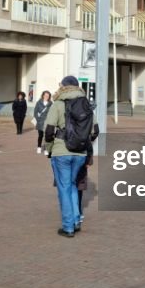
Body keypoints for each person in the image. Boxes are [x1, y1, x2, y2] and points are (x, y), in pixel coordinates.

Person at [44, 76, 89, 238]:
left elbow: (48, 130)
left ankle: (68, 226)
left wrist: (49, 149)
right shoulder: (86, 104)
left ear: (63, 87)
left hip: (61, 151)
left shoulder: (58, 104)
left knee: (64, 188)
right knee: (72, 186)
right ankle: (76, 220)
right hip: (80, 153)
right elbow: (94, 130)